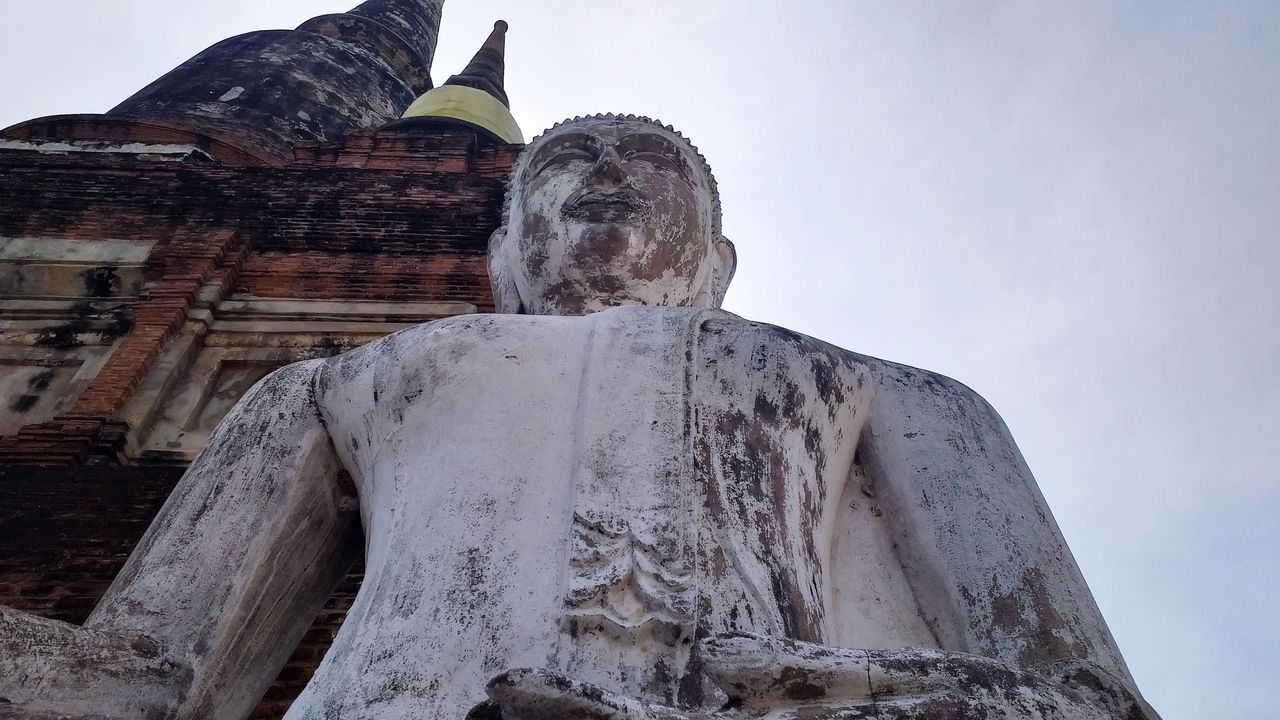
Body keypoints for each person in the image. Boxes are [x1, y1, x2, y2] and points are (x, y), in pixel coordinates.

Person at [0, 115, 1159, 720]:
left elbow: (1084, 694)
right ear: (501, 251)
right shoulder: (327, 386)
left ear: (716, 258)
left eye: (651, 159)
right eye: (565, 158)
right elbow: (149, 674)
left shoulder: (897, 395)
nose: (607, 167)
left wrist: (847, 692)